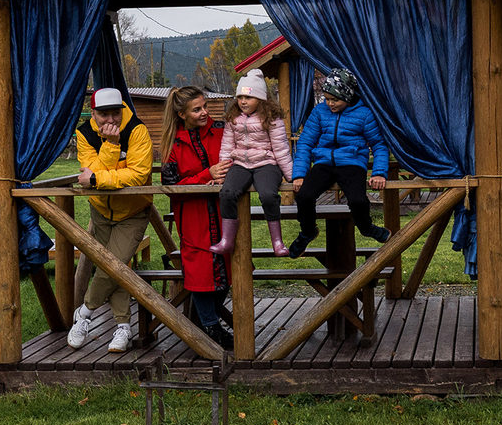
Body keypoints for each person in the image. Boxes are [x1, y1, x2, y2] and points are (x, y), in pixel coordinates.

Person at [67, 87, 153, 354]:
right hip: (100, 212)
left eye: (115, 112)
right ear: (93, 113)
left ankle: (84, 312)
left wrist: (95, 179)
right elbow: (96, 172)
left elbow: (138, 176)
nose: (111, 120)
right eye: (104, 115)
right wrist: (111, 146)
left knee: (113, 266)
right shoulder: (84, 133)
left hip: (133, 212)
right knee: (117, 269)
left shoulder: (137, 130)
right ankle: (123, 326)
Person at [158, 85, 235, 351]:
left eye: (205, 106)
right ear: (181, 114)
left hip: (225, 213)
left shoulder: (223, 131)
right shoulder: (172, 145)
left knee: (227, 270)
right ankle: (210, 330)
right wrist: (207, 175)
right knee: (201, 273)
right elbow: (172, 187)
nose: (205, 112)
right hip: (193, 217)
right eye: (197, 109)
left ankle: (206, 324)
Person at [287, 68, 390, 259]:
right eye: (326, 98)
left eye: (335, 99)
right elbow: (305, 142)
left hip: (352, 162)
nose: (330, 103)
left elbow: (378, 144)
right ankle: (308, 231)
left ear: (348, 96)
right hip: (324, 162)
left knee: (358, 200)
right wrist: (300, 174)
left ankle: (366, 228)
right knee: (304, 196)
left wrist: (379, 172)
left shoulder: (364, 114)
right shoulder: (319, 112)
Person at [211, 72, 293, 258]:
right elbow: (226, 147)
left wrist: (292, 176)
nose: (243, 101)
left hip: (266, 163)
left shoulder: (272, 119)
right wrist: (221, 174)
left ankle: (277, 242)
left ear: (261, 98)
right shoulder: (233, 118)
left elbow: (281, 149)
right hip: (240, 163)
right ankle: (227, 241)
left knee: (268, 195)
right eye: (240, 97)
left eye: (248, 97)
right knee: (227, 193)